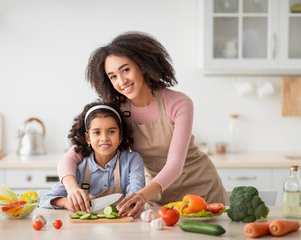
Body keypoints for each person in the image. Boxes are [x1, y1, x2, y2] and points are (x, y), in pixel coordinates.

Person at [57, 31, 227, 217]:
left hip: (200, 189)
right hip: (155, 194)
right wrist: (72, 189)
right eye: (113, 76)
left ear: (143, 66)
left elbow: (175, 164)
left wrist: (141, 196)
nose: (121, 81)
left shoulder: (179, 103)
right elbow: (72, 156)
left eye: (126, 70)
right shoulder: (118, 110)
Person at [40, 101, 145, 210]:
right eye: (97, 132)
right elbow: (45, 199)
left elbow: (135, 193)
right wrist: (66, 202)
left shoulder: (132, 161)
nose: (104, 138)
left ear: (120, 136)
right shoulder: (79, 168)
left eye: (111, 131)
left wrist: (133, 203)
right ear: (88, 138)